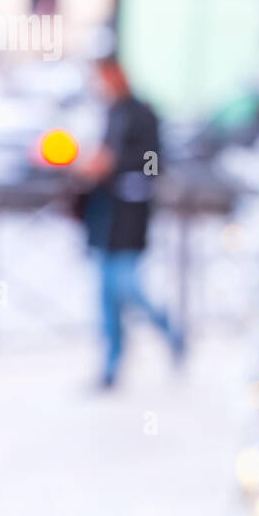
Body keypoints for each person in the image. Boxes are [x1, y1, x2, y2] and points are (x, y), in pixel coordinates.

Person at [77, 53, 183, 389]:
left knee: (127, 287)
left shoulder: (142, 112)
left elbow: (154, 163)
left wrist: (121, 167)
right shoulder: (111, 113)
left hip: (131, 214)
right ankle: (111, 365)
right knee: (107, 294)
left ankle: (169, 330)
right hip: (105, 214)